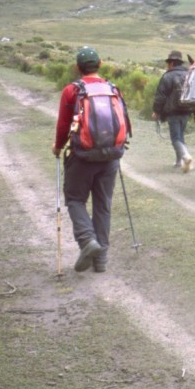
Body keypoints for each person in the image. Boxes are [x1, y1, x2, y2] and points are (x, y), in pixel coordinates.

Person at [52, 46, 130, 273]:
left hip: (83, 156)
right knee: (102, 205)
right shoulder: (113, 89)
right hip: (111, 156)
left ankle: (87, 241)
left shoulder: (71, 91)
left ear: (78, 67)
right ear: (101, 64)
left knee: (75, 199)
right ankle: (101, 260)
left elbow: (63, 125)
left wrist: (58, 147)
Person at [152, 50, 194, 173]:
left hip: (173, 112)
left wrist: (156, 111)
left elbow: (160, 96)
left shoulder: (167, 76)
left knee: (175, 138)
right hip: (187, 111)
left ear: (171, 63)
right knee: (180, 136)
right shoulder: (189, 75)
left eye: (168, 63)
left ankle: (186, 157)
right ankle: (178, 162)